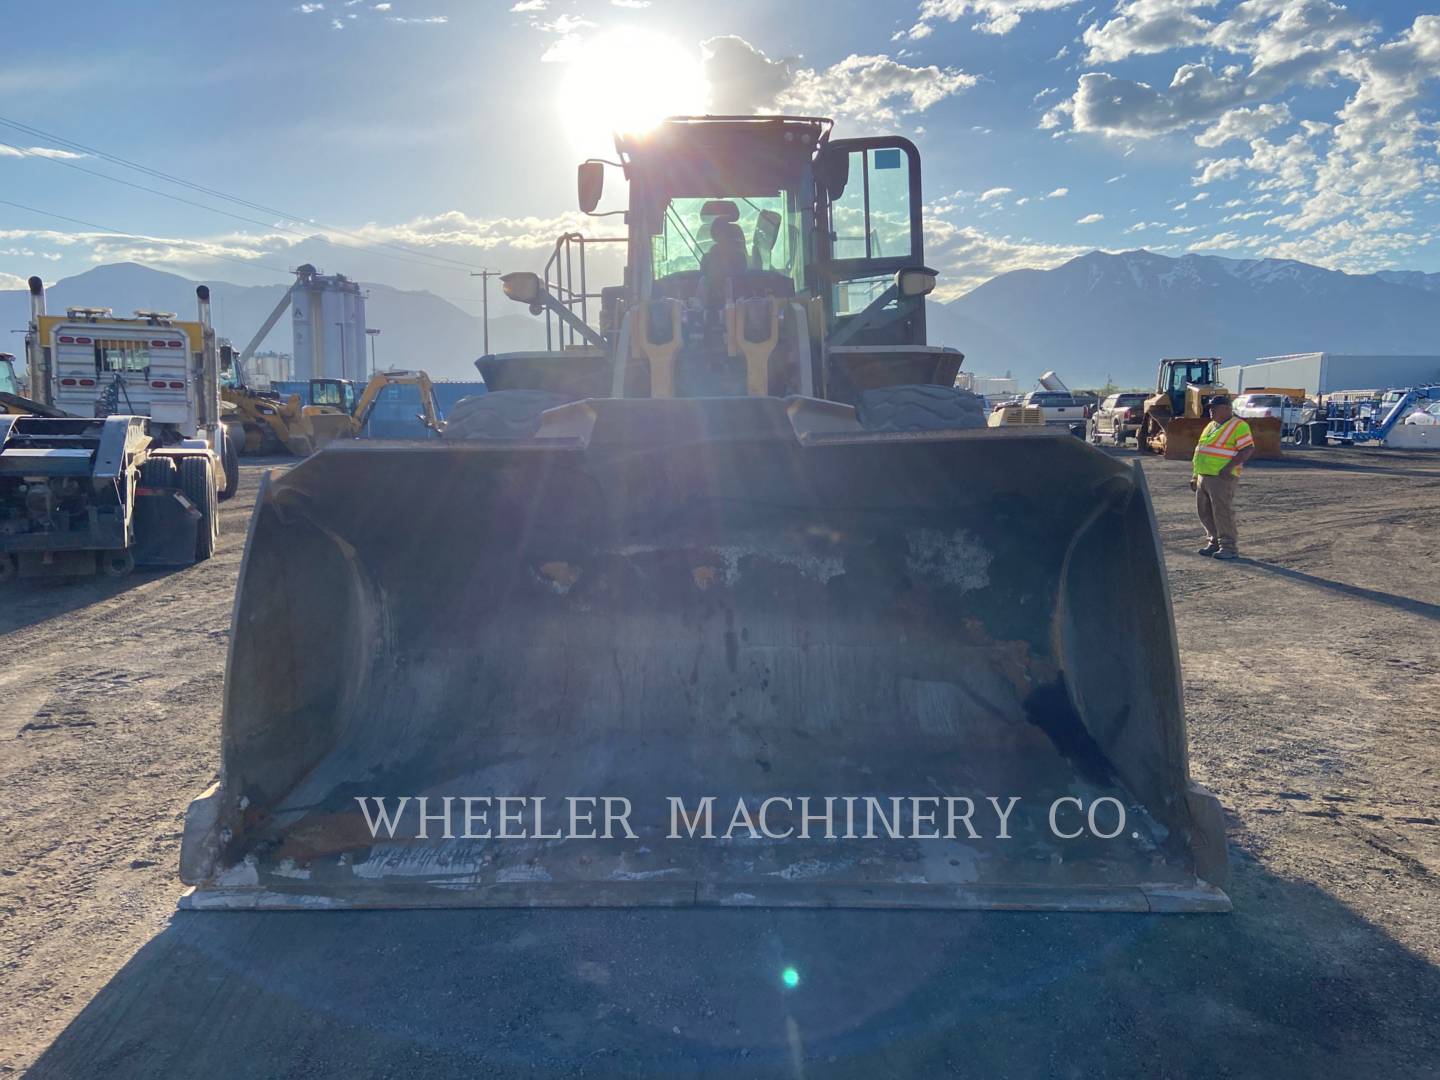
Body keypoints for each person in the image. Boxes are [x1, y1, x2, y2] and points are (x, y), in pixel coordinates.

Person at [1191, 395, 1255, 560]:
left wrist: (1228, 467)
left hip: (1221, 477)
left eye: (1214, 407)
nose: (1210, 410)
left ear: (1227, 408)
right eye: (1210, 407)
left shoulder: (1239, 426)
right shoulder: (1211, 426)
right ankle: (1214, 542)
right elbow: (1200, 451)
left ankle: (1228, 547)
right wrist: (1195, 476)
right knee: (1204, 512)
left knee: (1222, 512)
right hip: (1204, 476)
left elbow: (1247, 449)